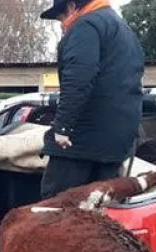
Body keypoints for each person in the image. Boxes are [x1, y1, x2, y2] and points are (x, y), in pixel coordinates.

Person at [38, 0, 144, 199]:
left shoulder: (85, 26)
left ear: (71, 6)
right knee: (97, 211)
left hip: (81, 143)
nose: (62, 26)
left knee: (56, 211)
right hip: (116, 144)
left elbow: (79, 78)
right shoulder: (123, 29)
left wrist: (63, 128)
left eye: (61, 19)